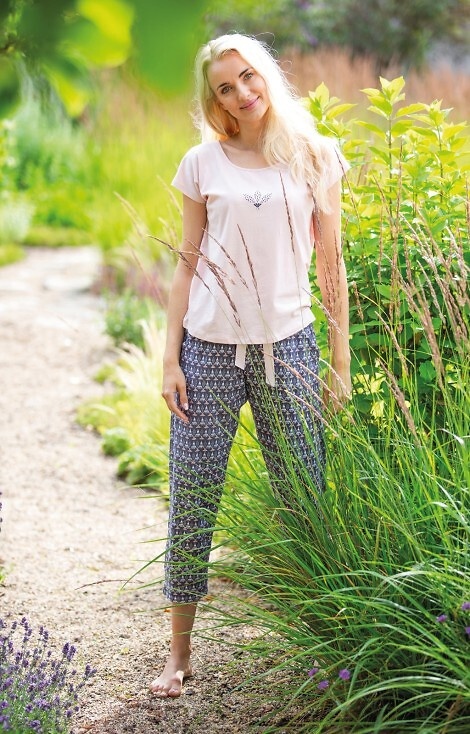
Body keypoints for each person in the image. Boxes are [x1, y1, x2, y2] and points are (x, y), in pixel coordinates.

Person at [149, 32, 352, 698]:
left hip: (289, 346)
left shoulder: (315, 156)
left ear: (266, 74)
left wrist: (340, 359)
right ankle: (179, 656)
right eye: (224, 88)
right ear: (214, 101)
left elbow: (331, 265)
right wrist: (170, 357)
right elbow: (187, 264)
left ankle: (323, 649)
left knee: (304, 498)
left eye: (248, 77)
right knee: (193, 495)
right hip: (207, 350)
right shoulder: (202, 163)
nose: (241, 93)